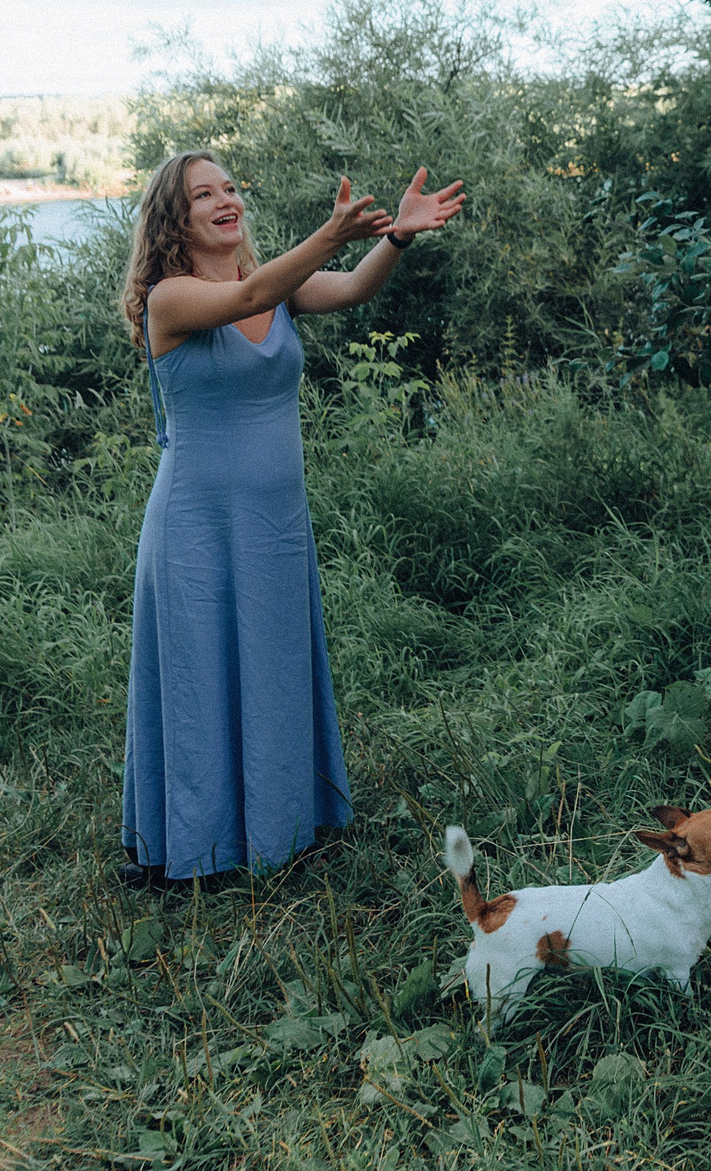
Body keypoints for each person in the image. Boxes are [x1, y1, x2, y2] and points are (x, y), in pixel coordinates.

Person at [117, 149, 465, 888]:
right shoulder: (170, 299)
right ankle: (202, 852)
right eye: (202, 193)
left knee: (271, 671)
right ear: (173, 219)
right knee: (201, 678)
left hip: (273, 526)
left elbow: (353, 288)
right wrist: (328, 233)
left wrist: (393, 237)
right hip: (196, 528)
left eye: (231, 187)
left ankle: (277, 830)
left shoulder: (275, 287)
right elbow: (250, 298)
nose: (225, 200)